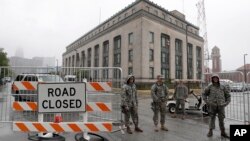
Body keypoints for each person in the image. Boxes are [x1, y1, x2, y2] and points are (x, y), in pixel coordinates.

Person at [203, 74, 231, 138]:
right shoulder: (209, 86)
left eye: (216, 78)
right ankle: (210, 131)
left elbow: (228, 96)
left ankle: (223, 132)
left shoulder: (222, 86)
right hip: (212, 106)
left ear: (218, 79)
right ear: (212, 79)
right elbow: (204, 94)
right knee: (212, 118)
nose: (215, 79)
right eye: (214, 78)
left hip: (221, 106)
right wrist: (207, 102)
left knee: (221, 119)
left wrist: (226, 103)